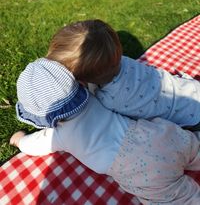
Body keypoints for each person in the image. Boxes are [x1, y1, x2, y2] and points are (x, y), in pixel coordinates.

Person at [11, 58, 200, 204]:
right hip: (160, 134)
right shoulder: (96, 95)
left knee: (182, 200)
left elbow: (35, 144)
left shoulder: (57, 135)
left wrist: (20, 140)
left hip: (140, 169)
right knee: (194, 151)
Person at [47, 19, 200, 129]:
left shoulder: (108, 101)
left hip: (188, 116)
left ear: (83, 81)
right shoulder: (123, 61)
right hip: (190, 89)